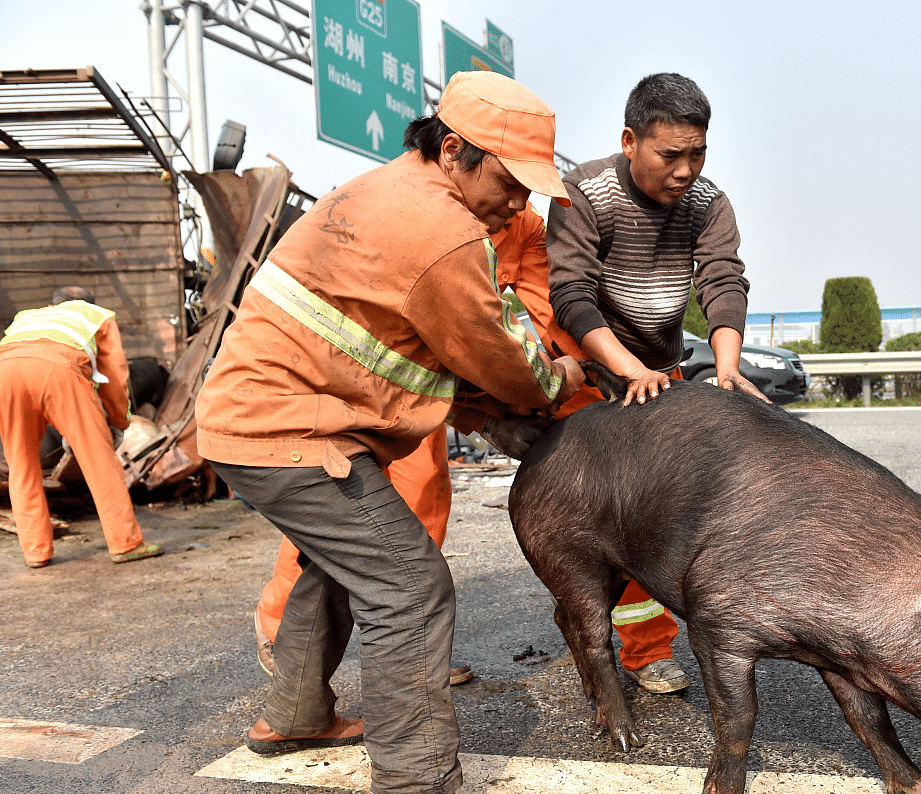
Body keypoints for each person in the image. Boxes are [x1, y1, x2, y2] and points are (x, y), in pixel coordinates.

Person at [195, 71, 584, 794]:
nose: (520, 202)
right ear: (456, 150)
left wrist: (480, 416)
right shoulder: (443, 232)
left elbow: (402, 354)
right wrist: (558, 376)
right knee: (410, 586)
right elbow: (506, 363)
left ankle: (296, 713)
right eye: (511, 180)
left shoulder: (390, 190)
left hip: (260, 418)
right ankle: (418, 779)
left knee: (339, 563)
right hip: (284, 430)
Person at [252, 201, 555, 688]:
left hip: (427, 377)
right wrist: (487, 417)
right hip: (356, 372)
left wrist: (555, 377)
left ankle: (417, 644)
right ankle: (280, 627)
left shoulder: (524, 226)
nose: (514, 200)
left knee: (423, 494)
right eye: (508, 183)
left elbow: (538, 315)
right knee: (333, 500)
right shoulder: (415, 210)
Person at [544, 72, 768, 694]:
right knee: (590, 522)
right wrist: (623, 368)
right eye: (671, 154)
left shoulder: (708, 202)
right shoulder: (583, 192)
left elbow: (722, 280)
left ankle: (647, 650)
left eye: (698, 153)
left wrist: (726, 364)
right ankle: (590, 639)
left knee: (655, 515)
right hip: (588, 371)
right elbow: (571, 294)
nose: (686, 169)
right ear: (630, 140)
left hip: (658, 373)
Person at [0, 285, 163, 568]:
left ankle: (36, 552)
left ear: (53, 304)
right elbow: (114, 376)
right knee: (99, 461)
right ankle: (125, 544)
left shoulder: (28, 316)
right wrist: (119, 420)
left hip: (5, 371)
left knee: (22, 465)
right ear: (89, 303)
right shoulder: (98, 316)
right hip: (58, 371)